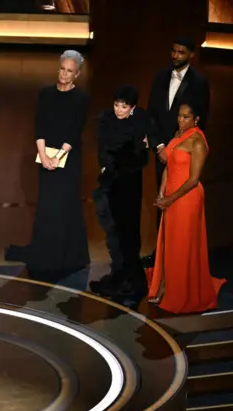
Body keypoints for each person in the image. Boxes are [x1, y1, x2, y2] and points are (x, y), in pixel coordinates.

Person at [147, 102, 225, 313]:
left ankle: (178, 292)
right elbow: (169, 165)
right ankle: (165, 285)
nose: (181, 121)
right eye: (179, 117)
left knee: (182, 246)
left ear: (196, 119)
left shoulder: (198, 142)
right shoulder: (178, 135)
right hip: (171, 197)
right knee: (169, 244)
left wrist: (170, 199)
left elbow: (193, 180)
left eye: (186, 117)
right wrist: (162, 192)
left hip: (187, 199)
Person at [25, 50, 91, 282]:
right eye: (62, 69)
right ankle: (45, 256)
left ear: (77, 74)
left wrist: (58, 156)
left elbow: (74, 131)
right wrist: (43, 155)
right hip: (45, 157)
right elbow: (39, 126)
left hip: (68, 159)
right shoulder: (46, 94)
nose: (64, 74)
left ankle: (66, 257)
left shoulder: (81, 99)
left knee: (64, 206)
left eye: (70, 71)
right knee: (47, 205)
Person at [144, 36, 210, 266]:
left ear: (191, 54)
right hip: (161, 152)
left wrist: (180, 149)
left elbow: (201, 120)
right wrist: (160, 147)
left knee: (179, 207)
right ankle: (161, 255)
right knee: (161, 201)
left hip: (183, 156)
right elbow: (150, 114)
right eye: (173, 51)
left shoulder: (199, 82)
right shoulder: (160, 77)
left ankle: (180, 259)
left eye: (181, 52)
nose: (175, 56)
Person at [90, 85, 155, 300]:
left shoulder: (139, 121)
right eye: (117, 105)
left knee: (128, 232)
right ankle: (120, 275)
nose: (119, 109)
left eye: (124, 106)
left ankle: (132, 280)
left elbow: (141, 154)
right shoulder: (107, 120)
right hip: (110, 183)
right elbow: (103, 150)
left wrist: (127, 155)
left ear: (133, 108)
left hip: (129, 185)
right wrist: (109, 165)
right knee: (114, 232)